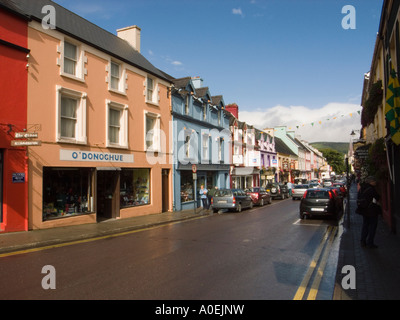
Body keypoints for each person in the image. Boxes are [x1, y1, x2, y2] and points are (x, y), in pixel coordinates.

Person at [358, 176, 381, 248]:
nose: (375, 183)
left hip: (364, 210)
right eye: (374, 181)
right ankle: (370, 242)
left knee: (365, 226)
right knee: (372, 227)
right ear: (371, 182)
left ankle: (363, 241)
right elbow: (377, 197)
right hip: (372, 211)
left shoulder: (362, 188)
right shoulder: (371, 189)